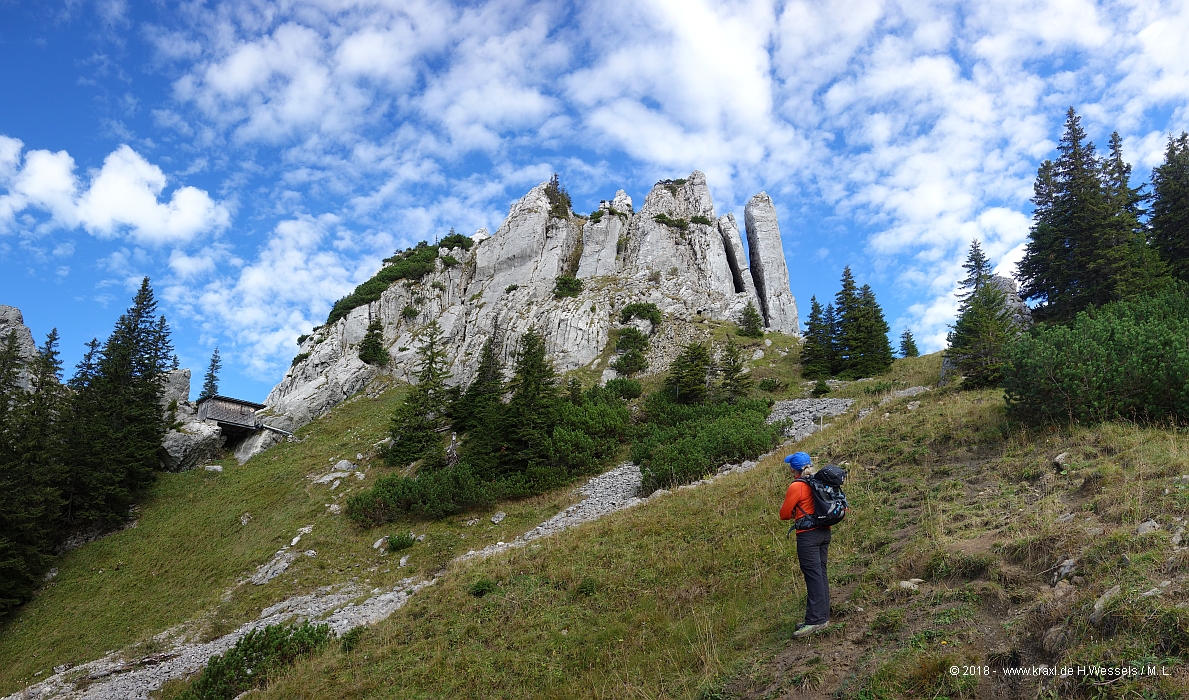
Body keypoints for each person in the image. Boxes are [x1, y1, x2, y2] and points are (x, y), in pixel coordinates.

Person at [779, 451, 831, 637]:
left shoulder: (797, 486)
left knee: (813, 575)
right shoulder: (818, 480)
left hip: (808, 536)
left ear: (793, 468)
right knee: (821, 572)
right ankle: (822, 616)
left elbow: (783, 514)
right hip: (824, 531)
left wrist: (795, 513)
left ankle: (816, 620)